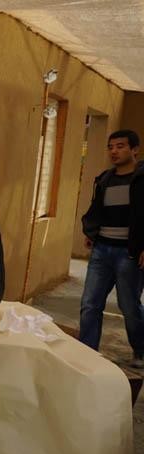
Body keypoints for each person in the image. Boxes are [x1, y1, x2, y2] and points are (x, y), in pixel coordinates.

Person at [79, 129, 144, 367]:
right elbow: (98, 209)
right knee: (90, 304)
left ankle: (140, 349)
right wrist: (92, 233)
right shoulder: (105, 179)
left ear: (134, 149)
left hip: (129, 253)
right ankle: (87, 353)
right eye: (111, 147)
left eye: (120, 146)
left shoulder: (141, 179)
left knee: (128, 305)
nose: (114, 151)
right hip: (101, 250)